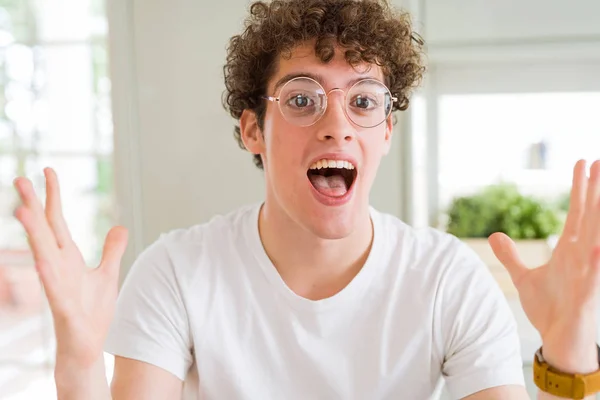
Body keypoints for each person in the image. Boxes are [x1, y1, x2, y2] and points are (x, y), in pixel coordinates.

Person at [11, 0, 600, 399]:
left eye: (364, 101)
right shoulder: (176, 272)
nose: (337, 125)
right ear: (251, 130)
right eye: (301, 99)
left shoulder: (449, 280)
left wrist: (570, 355)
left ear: (386, 133)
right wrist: (81, 362)